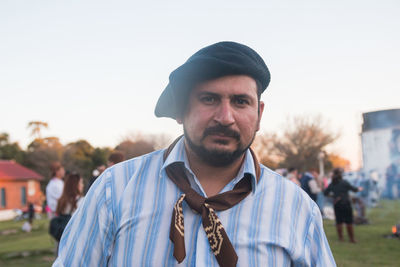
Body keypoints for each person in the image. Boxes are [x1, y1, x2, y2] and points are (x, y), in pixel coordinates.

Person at [54, 41, 335, 266]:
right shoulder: (114, 189)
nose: (225, 117)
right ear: (181, 110)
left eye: (240, 101)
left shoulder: (297, 208)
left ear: (259, 115)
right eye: (209, 99)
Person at [324, 168, 361, 243]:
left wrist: (333, 196)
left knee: (339, 221)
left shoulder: (332, 183)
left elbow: (325, 193)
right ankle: (352, 239)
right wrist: (359, 189)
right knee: (349, 221)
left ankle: (341, 239)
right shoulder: (345, 182)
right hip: (346, 204)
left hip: (337, 204)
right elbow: (354, 189)